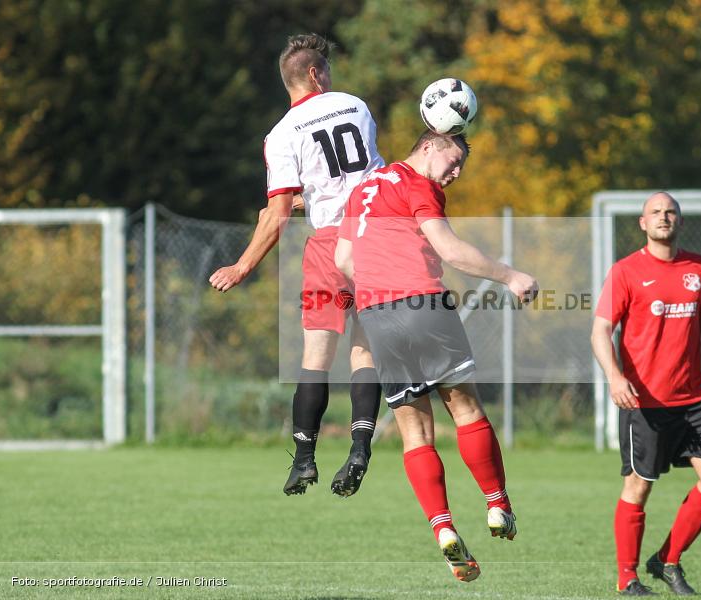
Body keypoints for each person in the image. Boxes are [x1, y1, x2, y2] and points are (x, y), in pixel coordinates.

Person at [335, 131, 538, 582]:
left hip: (377, 315)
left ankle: (443, 528)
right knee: (465, 409)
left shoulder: (363, 189)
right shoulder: (417, 184)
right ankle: (497, 503)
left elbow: (344, 258)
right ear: (428, 145)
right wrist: (510, 276)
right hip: (423, 304)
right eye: (454, 157)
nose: (457, 170)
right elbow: (449, 249)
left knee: (415, 433)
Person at [208, 33, 385, 498]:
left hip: (328, 247)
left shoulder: (281, 135)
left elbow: (280, 214)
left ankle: (304, 459)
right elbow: (359, 180)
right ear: (315, 74)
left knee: (316, 360)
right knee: (364, 352)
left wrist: (242, 266)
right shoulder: (356, 105)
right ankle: (360, 448)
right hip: (377, 238)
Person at [591, 192, 701, 596]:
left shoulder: (698, 267)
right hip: (645, 402)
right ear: (642, 223)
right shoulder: (625, 271)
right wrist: (615, 377)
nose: (663, 217)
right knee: (639, 487)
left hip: (694, 398)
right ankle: (627, 578)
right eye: (655, 212)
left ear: (680, 221)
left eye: (670, 211)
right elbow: (600, 331)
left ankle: (667, 560)